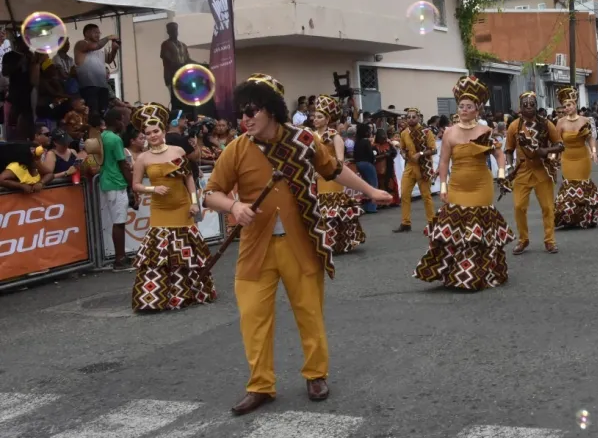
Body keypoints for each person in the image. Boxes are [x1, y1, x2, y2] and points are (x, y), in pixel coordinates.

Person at [202, 74, 392, 416]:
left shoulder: (304, 140)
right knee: (252, 317)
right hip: (254, 247)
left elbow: (333, 170)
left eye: (252, 110)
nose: (244, 119)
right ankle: (260, 385)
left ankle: (315, 375)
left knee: (309, 312)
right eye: (241, 112)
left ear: (271, 110)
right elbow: (210, 193)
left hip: (300, 242)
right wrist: (233, 206)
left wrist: (370, 191)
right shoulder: (236, 148)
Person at [414, 76, 514, 290]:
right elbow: (443, 161)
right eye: (461, 106)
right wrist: (442, 186)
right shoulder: (449, 132)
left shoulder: (485, 132)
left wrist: (503, 174)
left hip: (481, 185)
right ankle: (455, 273)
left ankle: (479, 273)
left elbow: (499, 155)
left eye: (469, 107)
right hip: (458, 185)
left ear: (477, 110)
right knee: (458, 228)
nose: (464, 110)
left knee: (478, 228)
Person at [129, 103, 216, 311]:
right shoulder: (142, 158)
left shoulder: (177, 150)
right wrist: (153, 189)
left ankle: (188, 293)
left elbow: (189, 180)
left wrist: (195, 203)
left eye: (156, 131)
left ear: (162, 131)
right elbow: (136, 185)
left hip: (182, 207)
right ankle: (156, 298)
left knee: (185, 248)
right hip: (160, 210)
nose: (153, 135)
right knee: (159, 252)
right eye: (148, 133)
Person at [504, 91, 564, 254]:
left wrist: (547, 150)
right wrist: (509, 168)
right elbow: (508, 150)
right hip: (522, 171)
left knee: (547, 207)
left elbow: (560, 145)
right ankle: (523, 240)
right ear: (520, 107)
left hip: (542, 170)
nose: (529, 107)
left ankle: (549, 240)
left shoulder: (546, 124)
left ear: (537, 106)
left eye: (532, 104)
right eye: (525, 105)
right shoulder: (514, 126)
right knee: (518, 207)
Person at [312, 94, 365, 254]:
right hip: (315, 180)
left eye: (319, 117)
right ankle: (321, 243)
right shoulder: (311, 136)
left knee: (332, 210)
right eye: (314, 116)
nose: (315, 119)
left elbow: (340, 161)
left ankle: (336, 243)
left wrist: (325, 172)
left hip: (331, 179)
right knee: (319, 210)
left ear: (327, 120)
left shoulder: (335, 137)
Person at [551, 86, 598, 227]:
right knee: (570, 186)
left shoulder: (586, 120)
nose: (567, 108)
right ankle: (570, 218)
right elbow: (556, 142)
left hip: (583, 157)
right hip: (567, 158)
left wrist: (593, 151)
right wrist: (553, 158)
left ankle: (585, 217)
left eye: (569, 105)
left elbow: (591, 138)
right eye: (564, 106)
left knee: (583, 185)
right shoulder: (560, 122)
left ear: (575, 104)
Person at [100, 108, 135, 271]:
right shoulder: (115, 139)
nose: (125, 122)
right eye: (123, 119)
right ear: (117, 121)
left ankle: (121, 257)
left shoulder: (102, 136)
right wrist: (133, 184)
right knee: (119, 222)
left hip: (107, 181)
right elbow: (123, 164)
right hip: (116, 183)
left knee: (117, 221)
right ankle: (119, 259)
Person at [393, 107, 436, 233]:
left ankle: (432, 223)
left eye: (413, 117)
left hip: (423, 166)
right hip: (410, 166)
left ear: (418, 118)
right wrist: (403, 154)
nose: (411, 119)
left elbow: (433, 149)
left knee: (426, 196)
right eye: (409, 117)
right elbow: (402, 148)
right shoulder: (404, 133)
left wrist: (421, 153)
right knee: (405, 194)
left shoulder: (427, 132)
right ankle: (405, 223)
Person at [74, 24, 120, 116]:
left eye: (99, 33)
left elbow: (109, 59)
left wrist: (114, 50)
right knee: (93, 113)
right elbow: (95, 46)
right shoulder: (81, 43)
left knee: (103, 113)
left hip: (102, 85)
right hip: (88, 86)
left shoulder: (101, 47)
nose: (98, 35)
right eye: (95, 32)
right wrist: (108, 37)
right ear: (87, 33)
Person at [160, 22, 195, 111]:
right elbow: (169, 60)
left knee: (186, 100)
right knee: (176, 101)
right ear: (168, 32)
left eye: (175, 30)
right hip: (172, 77)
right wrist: (182, 66)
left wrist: (199, 64)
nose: (174, 32)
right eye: (172, 30)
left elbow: (188, 59)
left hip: (184, 77)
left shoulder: (183, 45)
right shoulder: (165, 45)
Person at [372, 128, 400, 206]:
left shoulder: (389, 144)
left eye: (384, 138)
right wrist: (383, 155)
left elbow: (394, 153)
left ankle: (393, 201)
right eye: (381, 138)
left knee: (391, 183)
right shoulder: (374, 146)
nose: (383, 139)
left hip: (389, 166)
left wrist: (390, 154)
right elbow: (373, 157)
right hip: (379, 168)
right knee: (381, 184)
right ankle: (382, 203)